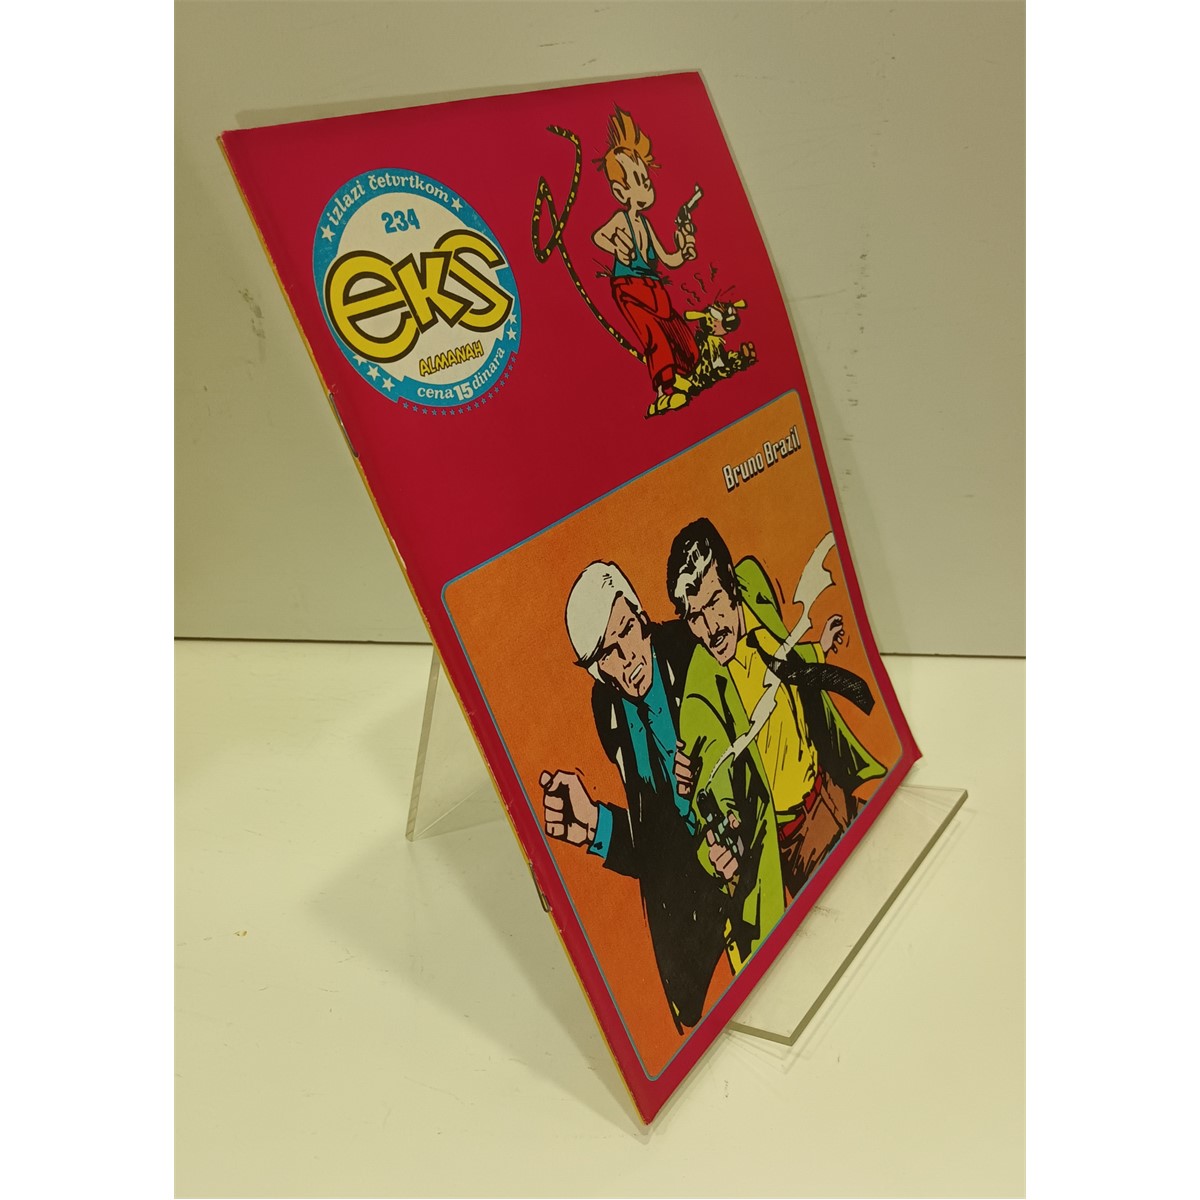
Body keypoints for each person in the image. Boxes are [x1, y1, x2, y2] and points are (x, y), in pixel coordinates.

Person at [539, 562, 728, 1032]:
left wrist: (710, 786)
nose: (628, 657)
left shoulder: (690, 650)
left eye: (627, 629)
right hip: (685, 934)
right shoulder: (607, 709)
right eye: (609, 651)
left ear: (641, 617)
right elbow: (657, 846)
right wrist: (594, 826)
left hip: (739, 884)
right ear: (597, 669)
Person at [667, 519, 886, 915]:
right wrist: (720, 847)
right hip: (797, 841)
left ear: (731, 583)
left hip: (834, 785)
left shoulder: (753, 582)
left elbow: (781, 656)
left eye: (714, 602)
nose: (711, 628)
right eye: (695, 617)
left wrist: (817, 649)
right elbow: (708, 787)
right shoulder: (699, 694)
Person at [591, 106, 699, 417]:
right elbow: (598, 237)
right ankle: (666, 390)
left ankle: (683, 375)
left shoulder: (647, 225)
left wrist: (683, 252)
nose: (647, 184)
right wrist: (617, 245)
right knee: (655, 337)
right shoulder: (620, 220)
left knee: (684, 342)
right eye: (639, 179)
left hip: (655, 291)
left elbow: (667, 258)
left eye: (646, 178)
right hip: (629, 289)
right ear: (619, 190)